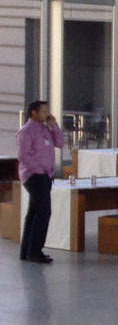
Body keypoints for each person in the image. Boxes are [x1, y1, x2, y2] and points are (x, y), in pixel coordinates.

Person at [16, 100, 65, 265]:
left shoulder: (45, 129)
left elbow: (60, 143)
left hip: (45, 176)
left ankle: (27, 251)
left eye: (47, 111)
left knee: (34, 213)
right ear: (34, 113)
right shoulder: (26, 131)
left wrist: (54, 125)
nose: (47, 114)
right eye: (44, 111)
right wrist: (40, 169)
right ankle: (35, 251)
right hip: (34, 176)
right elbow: (23, 156)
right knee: (44, 212)